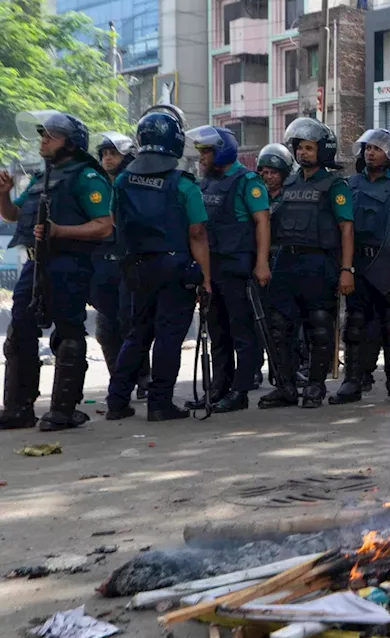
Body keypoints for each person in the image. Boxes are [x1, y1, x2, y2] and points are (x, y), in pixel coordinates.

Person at [0, 113, 114, 431]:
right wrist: (4, 193)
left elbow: (105, 225)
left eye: (51, 135)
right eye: (42, 135)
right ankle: (18, 408)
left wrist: (59, 231)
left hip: (68, 264)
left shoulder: (86, 176)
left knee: (67, 334)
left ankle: (63, 410)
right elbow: (13, 214)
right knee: (18, 333)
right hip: (34, 264)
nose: (43, 140)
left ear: (71, 143)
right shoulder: (42, 178)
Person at [104, 109, 212, 421]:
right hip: (175, 267)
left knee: (138, 333)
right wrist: (205, 277)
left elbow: (114, 221)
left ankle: (116, 401)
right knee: (168, 336)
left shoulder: (123, 181)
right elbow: (198, 233)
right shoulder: (184, 184)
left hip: (137, 268)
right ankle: (160, 403)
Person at [258, 117, 355, 409]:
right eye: (299, 148)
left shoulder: (335, 185)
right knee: (278, 327)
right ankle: (286, 387)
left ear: (322, 151)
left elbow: (346, 228)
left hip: (319, 263)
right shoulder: (287, 183)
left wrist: (346, 270)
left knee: (320, 327)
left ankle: (315, 386)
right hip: (286, 262)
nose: (302, 153)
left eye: (309, 148)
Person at [328, 128, 390, 405]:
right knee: (356, 325)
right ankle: (353, 381)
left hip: (389, 264)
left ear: (389, 154)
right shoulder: (349, 184)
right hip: (359, 264)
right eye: (367, 148)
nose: (370, 152)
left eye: (376, 148)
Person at [187, 125, 271, 413]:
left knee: (241, 331)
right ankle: (218, 387)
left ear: (222, 150)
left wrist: (261, 263)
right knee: (217, 331)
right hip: (211, 268)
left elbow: (262, 222)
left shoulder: (247, 181)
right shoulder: (205, 183)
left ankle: (240, 391)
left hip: (237, 267)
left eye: (206, 151)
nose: (202, 158)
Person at [89, 131, 150, 396]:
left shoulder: (136, 185)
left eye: (113, 153)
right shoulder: (94, 184)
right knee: (105, 328)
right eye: (103, 154)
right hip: (102, 264)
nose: (107, 158)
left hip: (130, 262)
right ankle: (119, 381)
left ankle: (144, 377)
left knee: (132, 323)